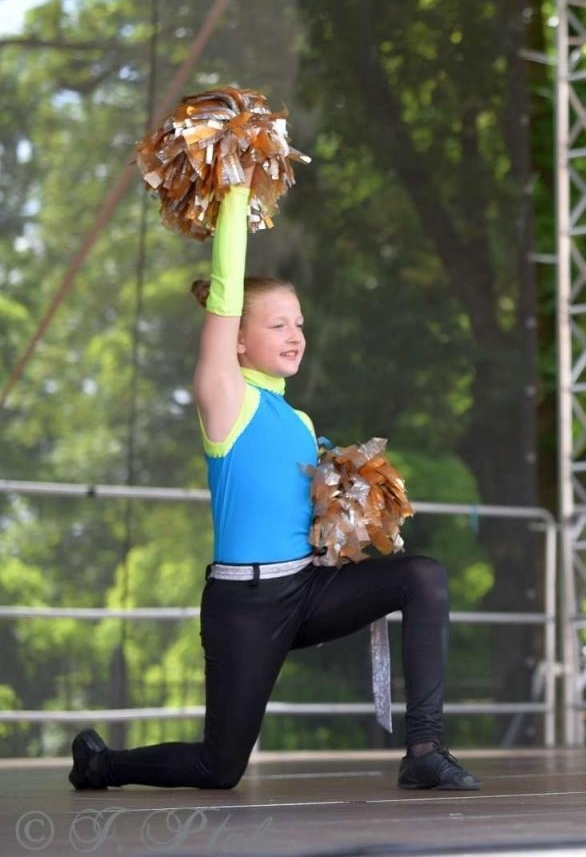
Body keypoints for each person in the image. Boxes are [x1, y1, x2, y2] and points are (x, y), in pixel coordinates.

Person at [68, 174, 478, 791]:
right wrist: (237, 184)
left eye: (299, 324)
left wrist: (347, 515)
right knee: (219, 768)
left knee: (423, 577)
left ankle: (424, 749)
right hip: (247, 606)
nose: (296, 336)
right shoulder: (226, 399)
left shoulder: (300, 421)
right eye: (278, 325)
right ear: (236, 340)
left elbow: (307, 516)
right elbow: (226, 288)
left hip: (307, 590)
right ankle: (102, 765)